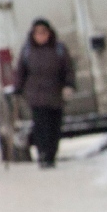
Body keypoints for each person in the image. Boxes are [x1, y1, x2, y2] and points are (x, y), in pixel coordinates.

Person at [10, 18, 74, 167]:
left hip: (55, 94)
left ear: (49, 33)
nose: (40, 36)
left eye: (43, 33)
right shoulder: (27, 51)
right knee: (40, 126)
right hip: (36, 96)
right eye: (37, 33)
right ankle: (43, 154)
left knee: (54, 127)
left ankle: (51, 154)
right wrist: (17, 88)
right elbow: (21, 71)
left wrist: (69, 85)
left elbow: (68, 69)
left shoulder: (59, 49)